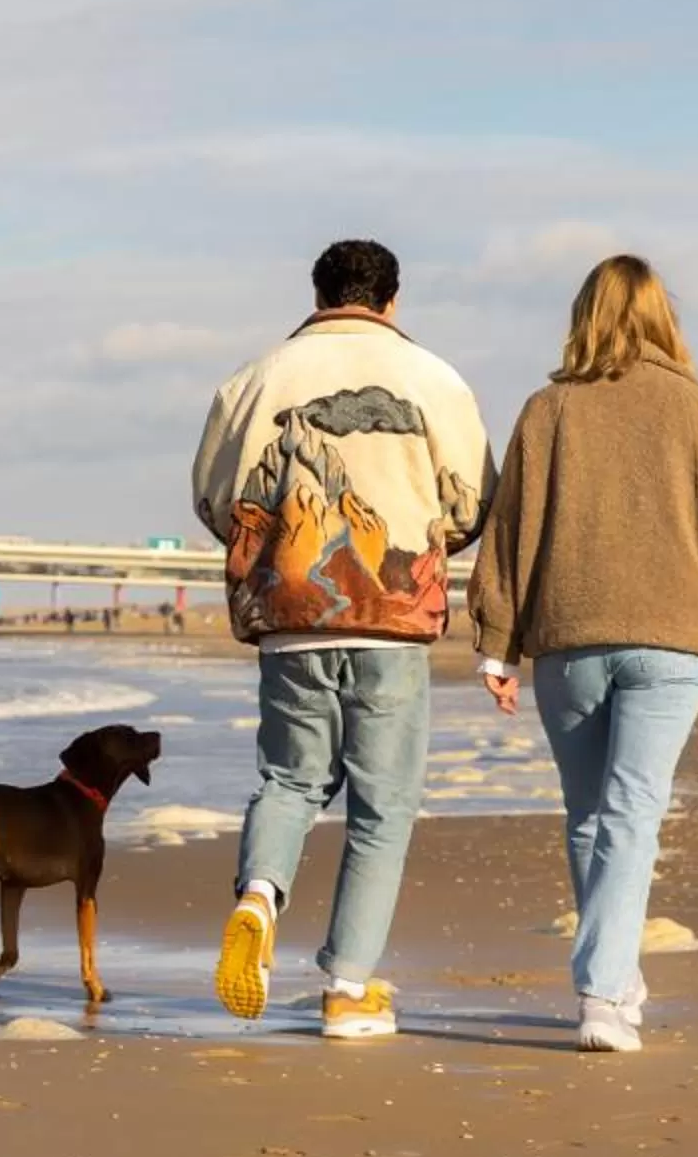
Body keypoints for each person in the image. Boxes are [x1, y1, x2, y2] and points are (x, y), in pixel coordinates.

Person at [466, 256, 698, 1053]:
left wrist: (497, 644)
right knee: (629, 814)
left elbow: (512, 532)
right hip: (673, 640)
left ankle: (611, 981)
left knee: (594, 817)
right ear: (663, 319)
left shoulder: (549, 410)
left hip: (569, 638)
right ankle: (606, 992)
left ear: (584, 317)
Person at [191, 239, 494, 1039]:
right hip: (392, 625)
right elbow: (469, 503)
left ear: (318, 292)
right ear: (391, 300)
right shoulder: (436, 379)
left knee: (290, 780)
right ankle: (347, 988)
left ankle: (258, 895)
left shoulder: (253, 379)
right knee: (381, 809)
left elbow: (215, 499)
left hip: (288, 620)